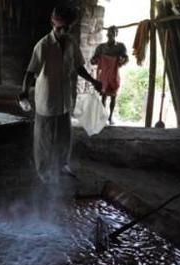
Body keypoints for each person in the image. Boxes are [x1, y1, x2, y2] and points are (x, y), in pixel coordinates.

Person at [19, 5, 102, 183]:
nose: (63, 31)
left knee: (64, 136)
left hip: (64, 98)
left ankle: (62, 165)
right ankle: (44, 171)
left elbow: (79, 67)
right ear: (53, 22)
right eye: (59, 28)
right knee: (44, 138)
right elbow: (30, 72)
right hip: (47, 99)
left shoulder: (71, 43)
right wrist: (24, 93)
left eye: (66, 28)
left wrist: (93, 81)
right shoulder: (43, 45)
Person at [90, 26, 129, 125]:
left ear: (116, 34)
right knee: (103, 96)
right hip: (104, 74)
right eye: (110, 32)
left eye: (114, 32)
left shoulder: (121, 47)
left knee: (113, 95)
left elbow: (126, 58)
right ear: (107, 34)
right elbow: (93, 60)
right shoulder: (101, 47)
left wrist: (120, 63)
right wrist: (94, 61)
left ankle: (110, 117)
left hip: (114, 74)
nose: (111, 34)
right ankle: (103, 117)